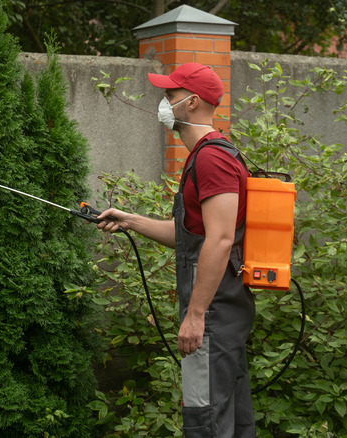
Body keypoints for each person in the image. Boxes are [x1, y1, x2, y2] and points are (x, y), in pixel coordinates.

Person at [96, 63, 256, 438]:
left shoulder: (211, 158)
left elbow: (219, 240)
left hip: (213, 317)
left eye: (170, 96)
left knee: (206, 421)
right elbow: (192, 237)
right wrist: (131, 220)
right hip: (219, 313)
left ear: (192, 102)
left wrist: (196, 316)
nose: (164, 103)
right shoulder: (205, 155)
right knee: (229, 420)